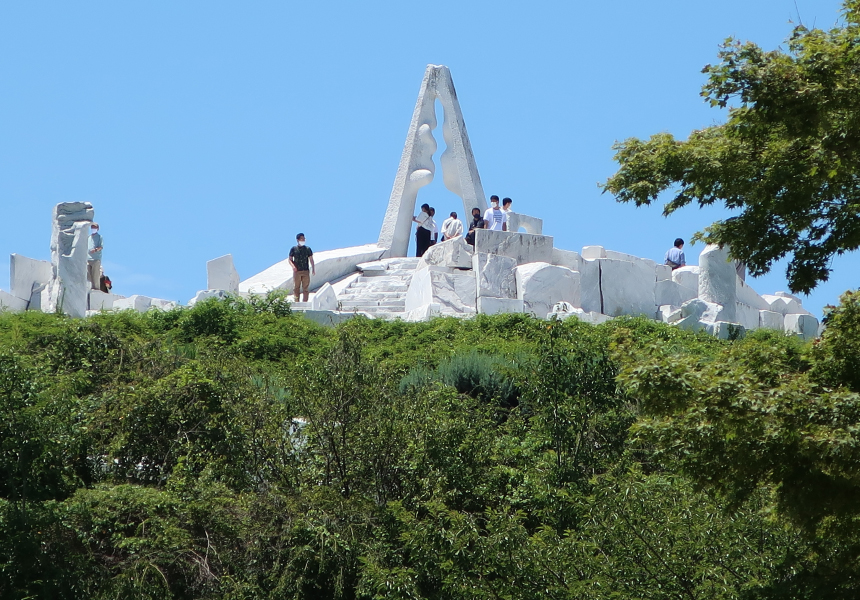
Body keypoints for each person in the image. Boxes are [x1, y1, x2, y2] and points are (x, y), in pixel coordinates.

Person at [289, 233, 315, 302]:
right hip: (297, 271)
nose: (303, 240)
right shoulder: (294, 249)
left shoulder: (307, 249)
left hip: (305, 271)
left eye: (304, 239)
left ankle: (305, 302)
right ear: (298, 240)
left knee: (305, 288)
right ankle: (296, 302)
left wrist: (313, 268)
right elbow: (290, 259)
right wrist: (293, 267)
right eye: (301, 239)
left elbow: (311, 259)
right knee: (296, 287)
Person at [87, 222, 103, 289]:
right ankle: (89, 289)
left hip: (96, 259)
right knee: (88, 276)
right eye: (92, 227)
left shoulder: (99, 237)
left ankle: (96, 290)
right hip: (88, 259)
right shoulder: (88, 238)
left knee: (95, 276)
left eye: (95, 227)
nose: (93, 228)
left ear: (98, 228)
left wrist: (95, 250)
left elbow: (101, 247)